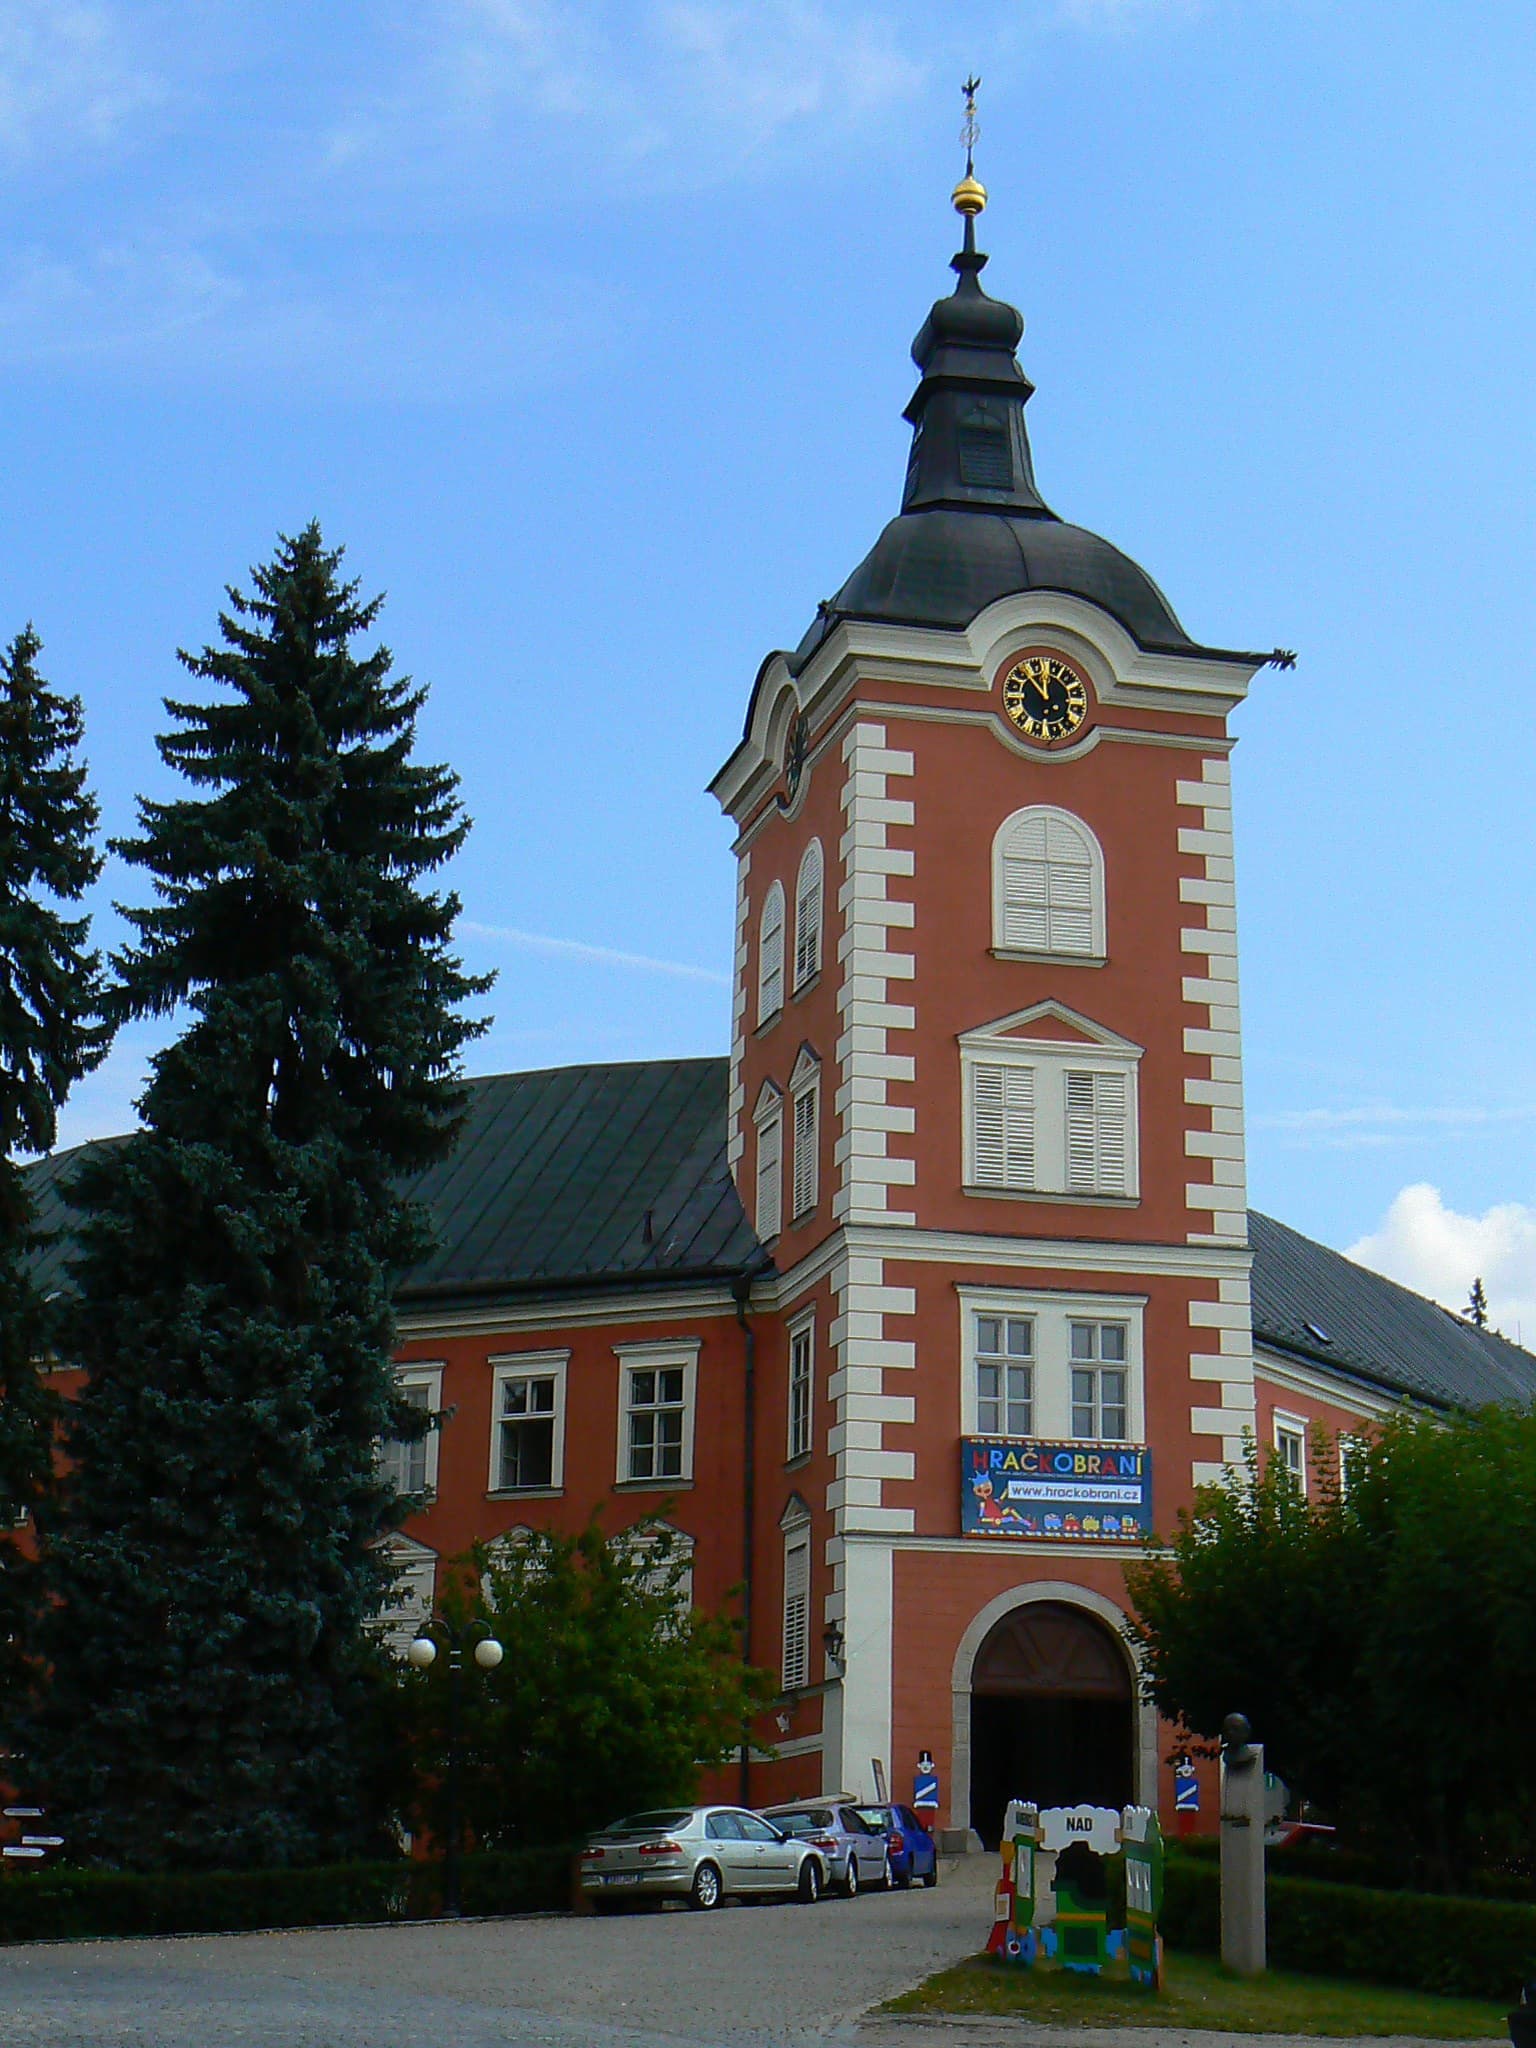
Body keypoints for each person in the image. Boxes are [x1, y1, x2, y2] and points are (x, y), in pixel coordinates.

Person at [913, 1750, 940, 1833]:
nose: (925, 1767)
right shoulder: (918, 1780)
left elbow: (933, 1792)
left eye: (927, 1765)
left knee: (929, 1822)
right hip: (920, 1806)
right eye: (923, 1765)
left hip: (930, 1806)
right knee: (921, 1822)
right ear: (919, 1766)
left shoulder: (933, 1779)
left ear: (931, 1765)